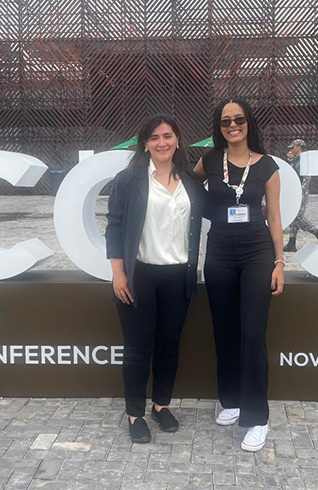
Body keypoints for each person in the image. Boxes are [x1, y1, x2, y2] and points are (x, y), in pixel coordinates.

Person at [105, 115, 206, 443]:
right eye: (154, 137)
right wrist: (118, 273)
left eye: (168, 136)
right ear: (145, 143)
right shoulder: (129, 180)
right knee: (138, 349)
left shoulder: (190, 181)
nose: (162, 142)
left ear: (177, 139)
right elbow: (115, 227)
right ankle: (135, 413)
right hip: (140, 276)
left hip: (178, 276)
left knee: (169, 346)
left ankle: (161, 406)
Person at [193, 98, 284, 453]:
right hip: (218, 253)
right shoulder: (211, 161)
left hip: (256, 253)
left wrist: (279, 263)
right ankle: (230, 399)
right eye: (225, 120)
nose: (233, 125)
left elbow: (274, 218)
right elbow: (188, 186)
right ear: (219, 126)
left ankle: (257, 417)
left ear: (249, 123)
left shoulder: (268, 167)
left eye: (239, 119)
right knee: (225, 329)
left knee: (251, 332)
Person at [284, 139, 318, 251]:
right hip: (295, 192)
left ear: (298, 147)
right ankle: (291, 243)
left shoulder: (304, 161)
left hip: (301, 193)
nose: (291, 149)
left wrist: (302, 192)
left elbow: (307, 178)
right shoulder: (296, 160)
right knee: (293, 217)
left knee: (298, 217)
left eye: (293, 147)